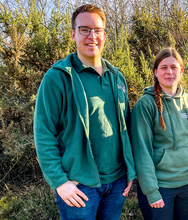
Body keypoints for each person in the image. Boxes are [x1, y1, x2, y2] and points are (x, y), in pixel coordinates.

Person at [33, 4, 135, 220]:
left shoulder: (117, 78)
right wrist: (59, 182)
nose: (92, 36)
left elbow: (125, 128)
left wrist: (130, 170)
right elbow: (44, 132)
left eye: (97, 30)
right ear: (73, 34)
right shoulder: (57, 77)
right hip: (80, 185)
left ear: (105, 35)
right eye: (84, 29)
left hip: (117, 183)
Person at [131, 47, 188, 220]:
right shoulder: (146, 105)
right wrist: (151, 191)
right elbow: (142, 152)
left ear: (181, 71)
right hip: (160, 186)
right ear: (156, 72)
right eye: (163, 67)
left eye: (173, 67)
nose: (169, 72)